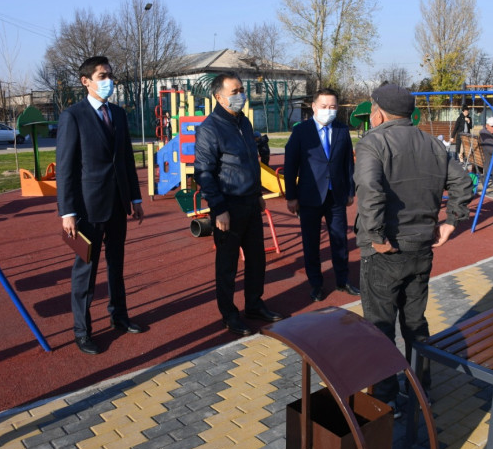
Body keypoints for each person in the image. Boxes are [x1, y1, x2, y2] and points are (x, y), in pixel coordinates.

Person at [354, 83, 473, 411]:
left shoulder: (373, 141)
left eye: (372, 109)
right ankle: (421, 389)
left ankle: (386, 396)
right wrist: (451, 221)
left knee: (380, 325)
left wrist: (376, 236)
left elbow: (369, 190)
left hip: (386, 249)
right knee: (415, 321)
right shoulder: (432, 143)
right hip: (420, 246)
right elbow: (463, 183)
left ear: (379, 113)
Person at [57, 56, 146, 355]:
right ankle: (82, 331)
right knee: (86, 270)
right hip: (87, 208)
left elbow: (126, 160)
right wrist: (67, 212)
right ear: (86, 81)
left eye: (110, 75)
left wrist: (135, 198)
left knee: (116, 266)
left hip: (118, 204)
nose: (109, 81)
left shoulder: (118, 114)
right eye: (102, 76)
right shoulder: (73, 116)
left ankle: (119, 316)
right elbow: (65, 168)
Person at [194, 72, 283, 336]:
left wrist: (258, 193)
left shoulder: (243, 121)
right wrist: (219, 209)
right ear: (219, 97)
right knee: (227, 265)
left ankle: (254, 304)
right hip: (228, 206)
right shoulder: (209, 129)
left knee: (256, 260)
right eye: (234, 92)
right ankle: (229, 314)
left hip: (250, 202)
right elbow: (204, 172)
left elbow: (250, 161)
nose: (240, 95)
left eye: (241, 90)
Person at [284, 88, 358, 302]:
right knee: (311, 242)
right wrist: (291, 196)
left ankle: (342, 280)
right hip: (310, 196)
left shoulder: (342, 130)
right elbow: (290, 165)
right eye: (324, 106)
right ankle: (316, 284)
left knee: (340, 240)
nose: (328, 110)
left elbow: (348, 163)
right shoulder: (301, 131)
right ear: (314, 107)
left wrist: (350, 190)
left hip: (336, 196)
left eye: (333, 106)